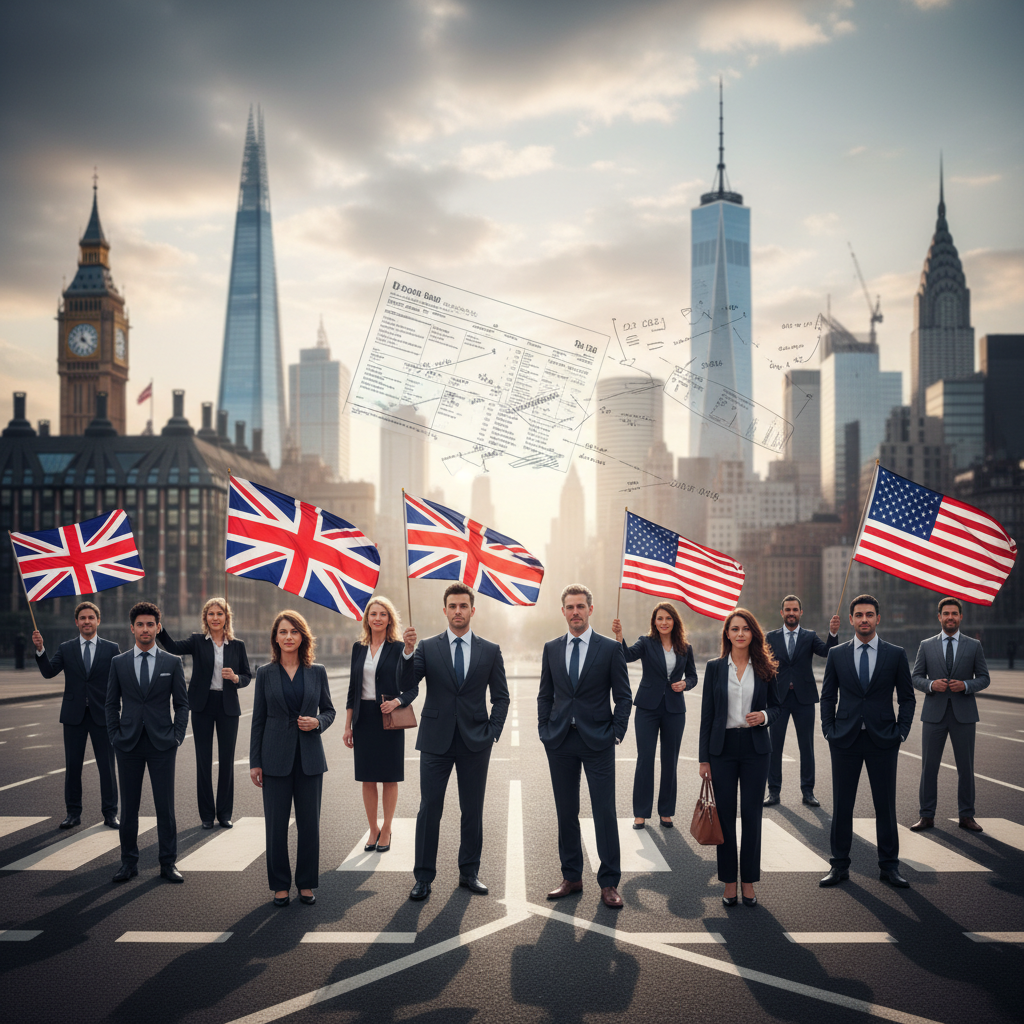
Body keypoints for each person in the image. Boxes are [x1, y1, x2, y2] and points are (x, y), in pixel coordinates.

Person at [398, 583, 509, 901]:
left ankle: (469, 872)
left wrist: (493, 731)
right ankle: (423, 877)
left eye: (464, 606)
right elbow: (408, 686)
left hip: (477, 741)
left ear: (473, 610)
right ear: (444, 610)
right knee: (429, 809)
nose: (458, 611)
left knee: (472, 810)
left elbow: (501, 697)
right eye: (453, 606)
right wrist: (406, 653)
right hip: (435, 741)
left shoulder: (490, 650)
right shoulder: (427, 647)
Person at [539, 584, 632, 909]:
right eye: (570, 607)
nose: (575, 612)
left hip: (598, 742)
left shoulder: (609, 649)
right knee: (566, 812)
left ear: (590, 610)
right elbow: (545, 694)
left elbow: (624, 696)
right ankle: (571, 877)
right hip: (561, 740)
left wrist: (616, 733)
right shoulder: (551, 648)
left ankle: (609, 884)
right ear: (563, 611)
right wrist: (543, 730)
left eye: (580, 606)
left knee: (604, 812)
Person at [819, 594, 915, 889]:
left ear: (878, 619)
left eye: (869, 614)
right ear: (850, 619)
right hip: (844, 740)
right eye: (859, 615)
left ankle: (889, 867)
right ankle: (838, 866)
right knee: (842, 806)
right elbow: (827, 696)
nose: (864, 619)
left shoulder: (895, 654)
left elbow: (908, 698)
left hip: (883, 740)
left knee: (885, 807)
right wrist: (828, 730)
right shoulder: (837, 655)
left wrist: (901, 732)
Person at [250, 610, 335, 907]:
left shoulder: (317, 671)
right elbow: (257, 720)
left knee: (309, 825)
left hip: (310, 758)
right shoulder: (264, 673)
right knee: (276, 826)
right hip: (274, 758)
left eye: (294, 631)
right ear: (276, 637)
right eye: (283, 632)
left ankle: (307, 884)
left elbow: (329, 710)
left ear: (303, 637)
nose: (288, 637)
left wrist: (318, 723)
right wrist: (254, 762)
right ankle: (280, 885)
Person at [698, 608, 781, 907]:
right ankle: (729, 883)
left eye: (746, 628)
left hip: (756, 750)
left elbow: (778, 707)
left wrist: (765, 716)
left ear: (753, 633)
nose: (740, 633)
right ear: (727, 634)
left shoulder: (766, 667)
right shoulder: (715, 667)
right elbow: (707, 716)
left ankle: (748, 882)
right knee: (725, 819)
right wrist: (703, 759)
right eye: (735, 629)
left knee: (751, 818)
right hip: (722, 751)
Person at [105, 601, 189, 884]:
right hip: (127, 744)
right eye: (140, 624)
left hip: (162, 743)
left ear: (158, 627)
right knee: (129, 809)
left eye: (150, 624)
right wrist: (115, 736)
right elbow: (110, 704)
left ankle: (168, 863)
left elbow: (182, 704)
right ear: (132, 629)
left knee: (165, 807)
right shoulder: (118, 663)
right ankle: (128, 863)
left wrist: (177, 736)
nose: (145, 629)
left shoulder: (172, 662)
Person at [157, 597, 251, 829]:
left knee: (227, 761)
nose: (215, 618)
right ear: (205, 618)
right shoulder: (197, 641)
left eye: (220, 613)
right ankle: (207, 815)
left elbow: (248, 675)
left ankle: (225, 813)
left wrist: (237, 678)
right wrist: (159, 628)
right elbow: (172, 647)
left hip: (228, 706)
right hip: (202, 706)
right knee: (204, 761)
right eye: (211, 614)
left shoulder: (237, 645)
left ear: (226, 617)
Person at [33, 601, 120, 829]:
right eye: (83, 618)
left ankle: (111, 814)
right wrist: (41, 650)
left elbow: (121, 681)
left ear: (98, 621)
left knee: (107, 768)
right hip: (74, 717)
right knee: (73, 767)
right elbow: (48, 672)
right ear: (77, 622)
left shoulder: (112, 649)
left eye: (91, 617)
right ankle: (73, 813)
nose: (87, 621)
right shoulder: (66, 648)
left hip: (103, 716)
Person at [612, 602, 697, 829]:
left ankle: (666, 812)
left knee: (670, 761)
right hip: (647, 709)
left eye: (668, 618)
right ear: (654, 622)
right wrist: (620, 636)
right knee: (645, 759)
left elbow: (693, 676)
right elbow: (627, 656)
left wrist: (685, 683)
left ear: (674, 621)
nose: (663, 622)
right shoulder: (646, 642)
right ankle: (641, 813)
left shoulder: (684, 647)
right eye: (659, 618)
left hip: (674, 710)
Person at [909, 597, 990, 834]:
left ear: (960, 617)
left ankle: (967, 816)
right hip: (934, 714)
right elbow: (916, 677)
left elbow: (984, 678)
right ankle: (926, 816)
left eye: (954, 613)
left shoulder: (973, 645)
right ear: (939, 617)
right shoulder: (926, 645)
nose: (950, 617)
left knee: (966, 768)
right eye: (946, 613)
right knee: (929, 768)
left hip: (964, 715)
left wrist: (965, 685)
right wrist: (931, 684)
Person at [343, 596, 417, 853]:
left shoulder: (399, 648)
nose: (377, 618)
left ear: (389, 619)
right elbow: (353, 690)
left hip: (389, 719)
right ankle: (372, 828)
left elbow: (411, 688)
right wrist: (347, 725)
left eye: (382, 614)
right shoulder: (358, 648)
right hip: (364, 720)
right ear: (367, 619)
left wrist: (396, 702)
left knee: (388, 778)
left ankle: (387, 827)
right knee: (367, 778)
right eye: (373, 614)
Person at [764, 596, 840, 808]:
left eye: (795, 609)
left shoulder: (809, 636)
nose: (791, 613)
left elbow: (828, 652)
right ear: (782, 613)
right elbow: (762, 663)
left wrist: (832, 633)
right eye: (787, 609)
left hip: (804, 699)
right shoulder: (771, 637)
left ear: (800, 612)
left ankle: (808, 792)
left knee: (806, 747)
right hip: (777, 700)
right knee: (774, 747)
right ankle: (773, 792)